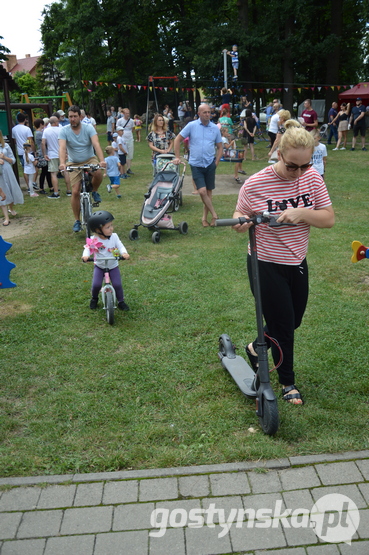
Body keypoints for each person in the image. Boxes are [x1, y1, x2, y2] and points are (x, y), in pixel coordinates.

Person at [232, 120, 334, 404]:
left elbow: (328, 219)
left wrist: (301, 213)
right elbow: (240, 216)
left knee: (293, 321)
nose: (299, 173)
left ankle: (256, 347)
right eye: (292, 166)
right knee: (284, 325)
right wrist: (241, 224)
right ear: (279, 154)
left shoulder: (313, 179)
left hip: (297, 261)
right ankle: (287, 382)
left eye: (305, 165)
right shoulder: (256, 183)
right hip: (264, 263)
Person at [59, 105, 106, 232]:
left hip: (89, 158)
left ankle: (95, 191)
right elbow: (62, 148)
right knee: (75, 191)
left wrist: (102, 160)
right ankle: (77, 220)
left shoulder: (88, 128)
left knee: (97, 172)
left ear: (80, 117)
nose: (72, 119)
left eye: (75, 116)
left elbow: (96, 144)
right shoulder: (64, 130)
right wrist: (62, 163)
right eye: (70, 117)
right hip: (73, 162)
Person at [174, 103, 223, 227]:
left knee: (209, 192)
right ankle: (215, 214)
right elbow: (177, 139)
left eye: (209, 112)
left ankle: (205, 218)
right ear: (199, 114)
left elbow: (220, 146)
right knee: (202, 191)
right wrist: (177, 157)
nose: (208, 114)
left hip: (209, 163)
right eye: (205, 112)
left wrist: (216, 161)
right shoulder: (191, 126)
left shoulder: (214, 128)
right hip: (196, 164)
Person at [82, 210, 130, 311]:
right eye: (107, 227)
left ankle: (121, 301)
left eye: (111, 225)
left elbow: (120, 246)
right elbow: (87, 248)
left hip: (113, 266)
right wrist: (85, 256)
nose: (111, 228)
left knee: (117, 284)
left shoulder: (114, 237)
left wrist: (124, 253)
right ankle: (94, 299)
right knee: (96, 285)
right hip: (99, 266)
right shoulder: (93, 239)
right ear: (97, 230)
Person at [0, 130, 24, 226]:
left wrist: (4, 158)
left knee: (10, 188)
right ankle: (6, 217)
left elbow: (13, 160)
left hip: (7, 170)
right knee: (2, 192)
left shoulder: (5, 146)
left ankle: (11, 208)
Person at [42, 116, 65, 199]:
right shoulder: (61, 129)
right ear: (56, 122)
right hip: (62, 153)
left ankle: (56, 192)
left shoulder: (46, 131)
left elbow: (43, 142)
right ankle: (69, 190)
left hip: (52, 154)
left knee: (53, 173)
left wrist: (45, 153)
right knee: (65, 172)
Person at [34, 118, 53, 195]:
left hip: (43, 152)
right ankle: (41, 187)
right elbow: (44, 142)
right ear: (41, 124)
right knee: (44, 171)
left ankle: (51, 186)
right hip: (42, 153)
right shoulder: (39, 133)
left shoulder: (38, 132)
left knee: (47, 171)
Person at [116, 108, 135, 174]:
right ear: (123, 114)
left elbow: (133, 129)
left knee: (130, 154)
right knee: (123, 153)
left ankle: (128, 168)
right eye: (126, 113)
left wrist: (129, 134)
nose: (128, 114)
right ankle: (121, 169)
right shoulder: (119, 121)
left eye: (128, 113)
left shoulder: (132, 121)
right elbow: (117, 129)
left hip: (130, 138)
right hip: (123, 139)